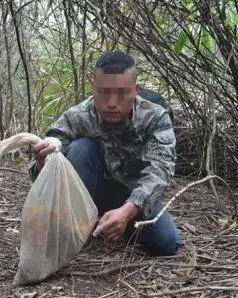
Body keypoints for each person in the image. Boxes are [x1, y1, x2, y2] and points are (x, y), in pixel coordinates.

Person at [29, 51, 179, 256]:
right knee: (80, 149)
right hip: (88, 193)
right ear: (93, 88)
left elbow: (161, 169)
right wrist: (43, 158)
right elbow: (47, 152)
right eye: (104, 92)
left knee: (166, 243)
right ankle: (77, 226)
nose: (111, 102)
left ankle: (114, 221)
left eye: (121, 93)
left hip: (133, 194)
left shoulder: (155, 117)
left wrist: (129, 210)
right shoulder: (79, 115)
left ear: (135, 90)